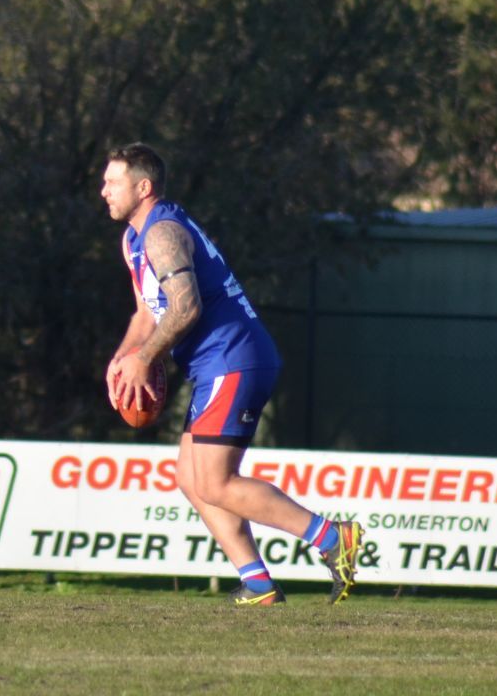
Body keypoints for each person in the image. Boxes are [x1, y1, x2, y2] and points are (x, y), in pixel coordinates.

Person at [100, 143, 363, 607]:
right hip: (216, 364)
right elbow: (146, 311)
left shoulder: (162, 233)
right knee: (191, 478)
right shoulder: (132, 240)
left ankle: (332, 537)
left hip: (234, 357)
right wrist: (123, 358)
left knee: (216, 482)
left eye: (113, 182)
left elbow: (185, 307)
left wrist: (146, 359)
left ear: (143, 188)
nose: (104, 191)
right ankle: (258, 583)